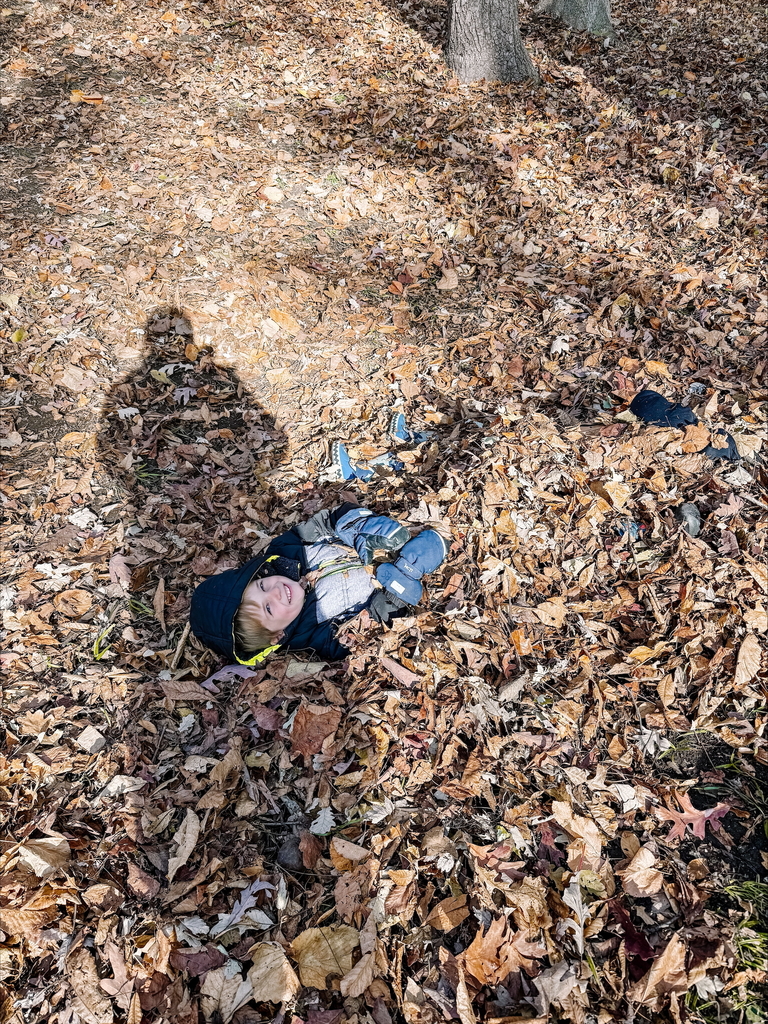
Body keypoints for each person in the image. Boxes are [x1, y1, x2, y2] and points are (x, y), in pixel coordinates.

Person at [189, 503, 447, 664]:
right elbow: (369, 628)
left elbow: (323, 523)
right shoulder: (313, 634)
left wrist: (353, 525)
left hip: (369, 544)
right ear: (276, 636)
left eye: (261, 586)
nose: (276, 591)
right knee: (425, 553)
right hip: (392, 577)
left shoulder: (286, 552)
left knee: (389, 532)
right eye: (268, 609)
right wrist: (401, 585)